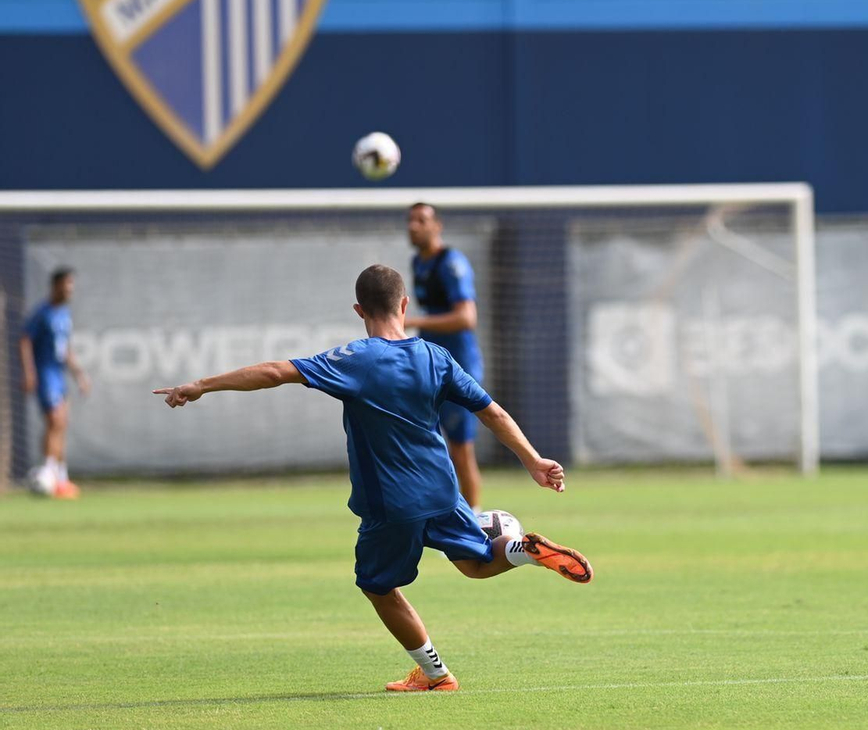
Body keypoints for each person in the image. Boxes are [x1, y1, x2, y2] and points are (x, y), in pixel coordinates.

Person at [153, 264, 591, 693]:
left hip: (392, 501)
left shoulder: (356, 360)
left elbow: (274, 372)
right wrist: (534, 461)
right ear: (404, 304)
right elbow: (491, 411)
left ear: (359, 310)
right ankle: (523, 551)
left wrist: (201, 385)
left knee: (378, 587)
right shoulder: (435, 356)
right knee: (475, 564)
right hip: (442, 489)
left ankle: (436, 675)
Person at [404, 202, 485, 510]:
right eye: (410, 220)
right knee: (431, 447)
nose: (414, 226)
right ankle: (440, 514)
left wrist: (415, 322)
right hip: (431, 365)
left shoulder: (452, 263)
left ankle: (475, 523)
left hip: (460, 367)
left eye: (422, 220)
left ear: (437, 226)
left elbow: (467, 318)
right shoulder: (418, 263)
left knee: (461, 449)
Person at [19, 267, 90, 499]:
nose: (71, 289)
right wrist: (29, 372)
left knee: (61, 424)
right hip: (45, 373)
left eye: (72, 284)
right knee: (55, 420)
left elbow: (65, 349)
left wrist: (79, 374)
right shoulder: (43, 312)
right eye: (67, 284)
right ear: (56, 285)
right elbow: (25, 340)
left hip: (59, 375)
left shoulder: (64, 314)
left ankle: (61, 478)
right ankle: (48, 474)